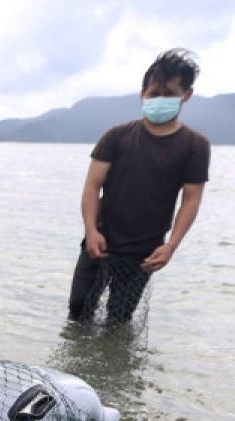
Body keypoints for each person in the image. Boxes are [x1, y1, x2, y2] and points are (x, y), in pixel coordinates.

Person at [68, 48, 210, 324]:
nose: (160, 100)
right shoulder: (117, 136)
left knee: (118, 321)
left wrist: (171, 246)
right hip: (100, 242)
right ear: (142, 93)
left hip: (144, 254)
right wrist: (91, 231)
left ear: (186, 95)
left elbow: (191, 199)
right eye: (153, 93)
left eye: (169, 94)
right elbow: (91, 187)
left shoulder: (195, 145)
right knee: (77, 310)